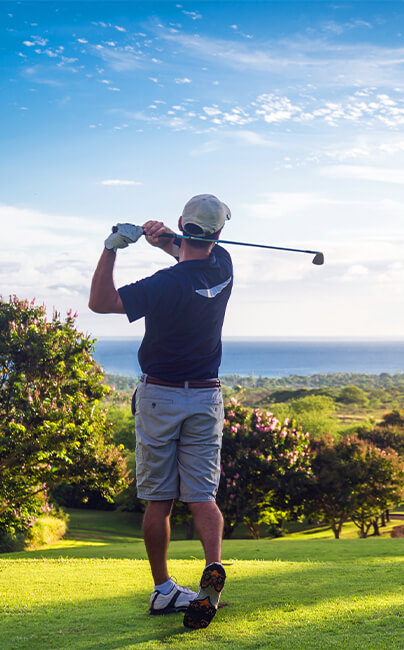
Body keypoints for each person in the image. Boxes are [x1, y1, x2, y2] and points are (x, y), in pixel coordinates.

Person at [88, 194, 233, 630]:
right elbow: (189, 250)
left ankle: (164, 590)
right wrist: (163, 240)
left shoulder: (162, 285)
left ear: (181, 223)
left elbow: (101, 302)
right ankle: (212, 574)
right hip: (206, 397)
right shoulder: (224, 265)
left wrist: (112, 246)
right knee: (202, 497)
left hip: (160, 397)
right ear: (220, 233)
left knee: (159, 500)